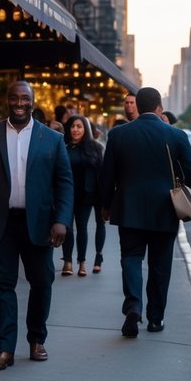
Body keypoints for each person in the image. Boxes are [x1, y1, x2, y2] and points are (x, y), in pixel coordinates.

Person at [0, 80, 73, 370]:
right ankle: (4, 349)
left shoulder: (51, 139)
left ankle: (37, 339)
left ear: (33, 102)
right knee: (2, 286)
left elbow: (64, 183)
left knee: (42, 282)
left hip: (39, 224)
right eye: (15, 98)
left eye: (25, 99)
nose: (20, 103)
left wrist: (62, 220)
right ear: (8, 101)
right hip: (0, 223)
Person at [99, 86, 191, 338]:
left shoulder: (118, 135)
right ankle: (156, 318)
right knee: (160, 265)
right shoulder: (175, 135)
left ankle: (133, 306)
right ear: (159, 107)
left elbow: (106, 175)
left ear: (138, 106)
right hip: (164, 209)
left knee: (131, 258)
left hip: (129, 208)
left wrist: (105, 204)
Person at [60, 114, 106, 277]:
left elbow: (101, 172)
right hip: (66, 193)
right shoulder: (62, 146)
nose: (75, 130)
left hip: (87, 194)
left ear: (85, 129)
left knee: (81, 228)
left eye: (79, 126)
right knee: (67, 228)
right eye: (73, 126)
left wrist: (104, 198)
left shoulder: (95, 147)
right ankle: (67, 261)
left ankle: (82, 262)